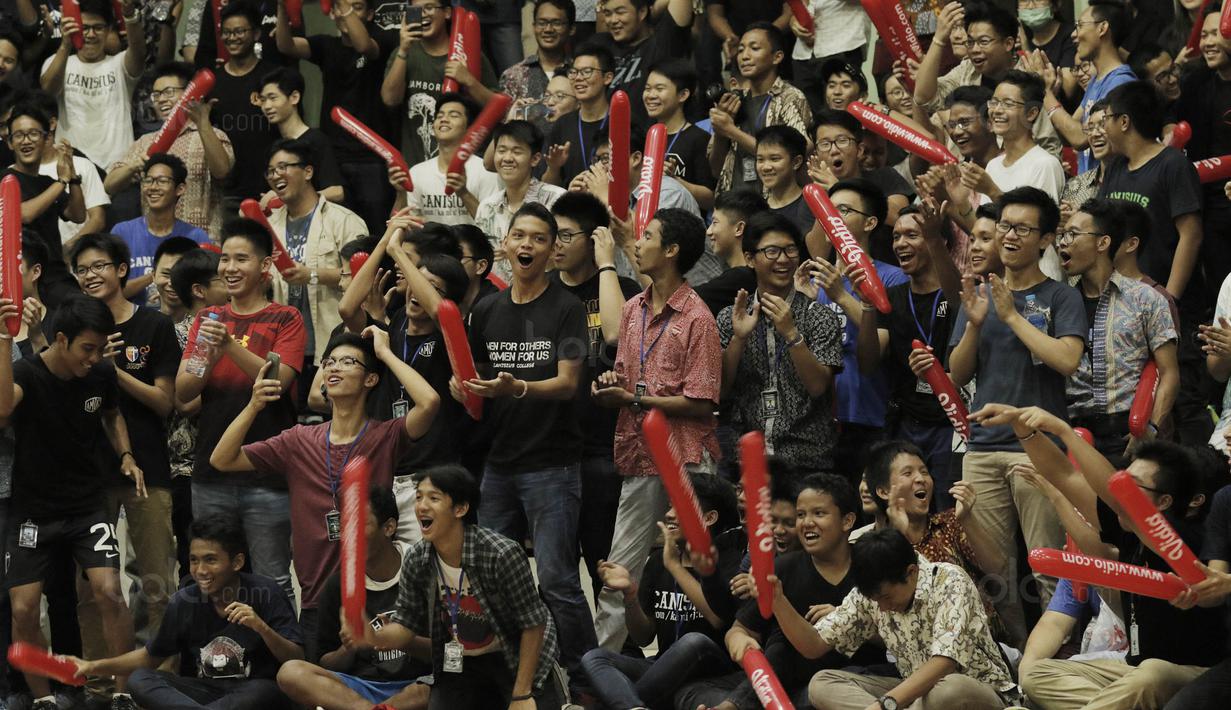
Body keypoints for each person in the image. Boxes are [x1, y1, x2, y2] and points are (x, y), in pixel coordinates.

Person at [973, 404, 1226, 709]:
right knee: (1036, 674)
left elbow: (1112, 495)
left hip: (1191, 674)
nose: (1121, 490)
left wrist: (1064, 430)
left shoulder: (1183, 538)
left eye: (1132, 485)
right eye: (1123, 477)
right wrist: (1022, 428)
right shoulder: (1129, 532)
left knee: (1150, 675)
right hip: (1133, 666)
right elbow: (1064, 474)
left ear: (1165, 501)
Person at [210, 328, 438, 660]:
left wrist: (386, 353)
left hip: (375, 596)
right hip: (317, 595)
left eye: (348, 362)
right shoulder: (297, 440)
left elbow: (429, 402)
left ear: (370, 380)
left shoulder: (385, 436)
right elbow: (222, 459)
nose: (333, 368)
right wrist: (254, 405)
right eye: (329, 362)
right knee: (317, 680)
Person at [456, 202, 597, 673]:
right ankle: (507, 669)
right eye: (520, 236)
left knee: (558, 579)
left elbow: (569, 383)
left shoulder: (568, 308)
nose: (527, 245)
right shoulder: (486, 309)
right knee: (492, 577)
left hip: (552, 464)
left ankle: (585, 672)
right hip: (498, 464)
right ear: (505, 245)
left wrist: (515, 386)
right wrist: (465, 388)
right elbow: (477, 379)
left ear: (553, 249)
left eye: (539, 238)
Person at [947, 186, 1084, 643]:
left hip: (1038, 451)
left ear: (1045, 240)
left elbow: (1066, 360)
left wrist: (1011, 317)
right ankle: (1016, 664)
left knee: (1046, 564)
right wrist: (976, 323)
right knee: (994, 573)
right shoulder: (978, 292)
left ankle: (1057, 667)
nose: (1008, 236)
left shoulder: (1061, 297)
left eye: (1022, 229)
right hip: (982, 449)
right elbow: (957, 371)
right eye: (1005, 225)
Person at [0, 295, 142, 710]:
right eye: (87, 348)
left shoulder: (100, 374)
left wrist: (127, 456)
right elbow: (3, 408)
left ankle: (121, 691)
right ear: (61, 340)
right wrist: (4, 339)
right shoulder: (27, 372)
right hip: (33, 513)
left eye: (100, 349)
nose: (95, 357)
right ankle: (43, 698)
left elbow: (113, 414)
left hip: (86, 507)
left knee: (110, 592)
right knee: (24, 608)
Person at [591, 208, 721, 650]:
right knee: (620, 563)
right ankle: (601, 670)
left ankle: (707, 655)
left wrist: (633, 399)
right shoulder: (632, 309)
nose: (638, 243)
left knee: (697, 562)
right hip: (639, 454)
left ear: (671, 251)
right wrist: (612, 385)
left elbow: (702, 401)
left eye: (647, 236)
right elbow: (628, 379)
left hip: (686, 458)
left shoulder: (699, 318)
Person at [345, 464, 566, 708]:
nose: (421, 506)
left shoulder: (501, 554)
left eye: (434, 498)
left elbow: (533, 623)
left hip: (515, 656)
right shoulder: (418, 559)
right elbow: (405, 626)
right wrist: (374, 635)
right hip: (463, 664)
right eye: (418, 497)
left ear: (460, 508)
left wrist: (522, 694)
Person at [175, 218, 307, 600]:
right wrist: (206, 355)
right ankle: (218, 658)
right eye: (225, 259)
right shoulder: (207, 320)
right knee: (211, 578)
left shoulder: (285, 317)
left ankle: (276, 657)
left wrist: (229, 347)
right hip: (210, 471)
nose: (230, 268)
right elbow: (184, 392)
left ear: (265, 266)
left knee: (272, 579)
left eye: (241, 259)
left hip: (266, 473)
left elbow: (276, 384)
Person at [68, 233, 180, 659]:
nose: (90, 275)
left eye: (99, 266)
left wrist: (113, 371)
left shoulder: (153, 324)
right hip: (87, 477)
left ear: (121, 270)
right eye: (82, 270)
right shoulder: (73, 329)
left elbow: (164, 401)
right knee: (94, 590)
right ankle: (98, 683)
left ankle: (162, 682)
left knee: (157, 585)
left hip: (148, 470)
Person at [760, 527, 1020, 709]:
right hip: (912, 696)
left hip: (978, 693)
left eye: (886, 598)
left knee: (949, 689)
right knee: (822, 683)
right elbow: (813, 645)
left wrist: (887, 705)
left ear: (911, 572)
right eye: (875, 600)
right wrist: (778, 602)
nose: (881, 608)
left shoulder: (950, 580)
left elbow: (944, 663)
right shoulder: (871, 593)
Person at [687, 474, 885, 710]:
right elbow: (740, 630)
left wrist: (847, 622)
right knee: (694, 690)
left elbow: (900, 635)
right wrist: (740, 642)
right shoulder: (783, 568)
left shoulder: (872, 564)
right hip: (789, 684)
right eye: (801, 515)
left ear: (847, 521)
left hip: (854, 682)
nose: (807, 522)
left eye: (818, 514)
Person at [67, 514, 304, 709]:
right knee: (140, 679)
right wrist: (93, 666)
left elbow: (296, 659)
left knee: (264, 690)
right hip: (202, 692)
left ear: (237, 562)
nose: (200, 570)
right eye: (194, 560)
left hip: (251, 691)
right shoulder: (184, 601)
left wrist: (261, 627)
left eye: (210, 560)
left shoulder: (267, 592)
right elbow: (150, 657)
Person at [581, 474, 742, 710]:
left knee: (693, 641)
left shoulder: (728, 559)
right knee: (594, 657)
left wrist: (676, 568)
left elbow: (717, 619)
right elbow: (643, 637)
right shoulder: (658, 562)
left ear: (709, 518)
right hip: (663, 668)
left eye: (680, 508)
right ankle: (633, 707)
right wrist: (630, 595)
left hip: (713, 666)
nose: (668, 515)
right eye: (669, 507)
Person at [548, 192, 641, 596]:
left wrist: (606, 261)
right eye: (553, 235)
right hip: (551, 446)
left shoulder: (620, 285)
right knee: (555, 566)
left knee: (603, 559)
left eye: (566, 236)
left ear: (594, 238)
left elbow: (616, 334)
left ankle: (618, 649)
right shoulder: (542, 289)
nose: (556, 245)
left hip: (604, 444)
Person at [276, 487, 431, 710]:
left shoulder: (423, 571)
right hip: (360, 690)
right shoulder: (339, 584)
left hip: (416, 685)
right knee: (291, 672)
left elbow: (447, 652)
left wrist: (400, 640)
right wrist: (350, 646)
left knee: (448, 682)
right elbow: (325, 663)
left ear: (388, 527)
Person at [718, 211, 842, 470]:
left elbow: (819, 386)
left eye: (790, 251)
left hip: (807, 455)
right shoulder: (731, 316)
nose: (784, 260)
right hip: (746, 457)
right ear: (750, 259)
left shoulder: (819, 316)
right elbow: (721, 389)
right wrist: (739, 339)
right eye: (772, 252)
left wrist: (792, 335)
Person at [1059, 198, 1179, 465]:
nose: (1063, 242)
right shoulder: (1057, 302)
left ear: (1103, 243)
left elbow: (1169, 373)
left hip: (1126, 435)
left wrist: (1152, 430)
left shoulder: (1146, 299)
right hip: (1072, 435)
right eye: (1063, 234)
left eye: (1074, 234)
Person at [860, 205, 963, 503]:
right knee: (902, 509)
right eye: (896, 236)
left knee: (946, 512)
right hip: (906, 424)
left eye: (912, 235)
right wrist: (868, 306)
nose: (900, 244)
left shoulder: (961, 293)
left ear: (936, 241)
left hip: (951, 425)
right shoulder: (891, 298)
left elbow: (958, 300)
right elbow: (868, 362)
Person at [808, 178, 909, 481]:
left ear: (870, 223)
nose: (832, 218)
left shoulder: (893, 278)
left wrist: (840, 295)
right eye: (828, 210)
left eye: (843, 210)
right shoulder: (815, 280)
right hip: (820, 420)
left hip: (869, 415)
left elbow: (879, 346)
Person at [273, 0, 400, 233]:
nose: (344, 14)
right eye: (340, 9)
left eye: (356, 7)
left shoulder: (383, 40)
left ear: (370, 14)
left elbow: (363, 46)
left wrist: (342, 3)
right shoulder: (326, 45)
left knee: (376, 230)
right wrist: (282, 9)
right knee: (338, 229)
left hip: (371, 157)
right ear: (331, 14)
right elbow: (286, 45)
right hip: (334, 156)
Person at [265, 138, 367, 375]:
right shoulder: (268, 227)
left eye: (283, 167)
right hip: (283, 346)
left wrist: (311, 275)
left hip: (332, 345)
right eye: (270, 171)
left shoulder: (344, 221)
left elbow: (363, 280)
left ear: (308, 171)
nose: (275, 175)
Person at [104, 61, 234, 236]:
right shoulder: (145, 142)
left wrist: (203, 122)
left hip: (201, 243)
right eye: (156, 95)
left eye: (169, 92)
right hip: (157, 246)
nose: (162, 99)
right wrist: (133, 166)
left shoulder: (214, 135)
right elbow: (110, 186)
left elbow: (222, 171)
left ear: (190, 93)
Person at [915, 1, 1061, 156]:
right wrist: (939, 39)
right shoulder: (967, 70)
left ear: (1008, 43)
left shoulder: (1030, 76)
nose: (975, 50)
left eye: (983, 42)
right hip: (967, 170)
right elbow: (923, 97)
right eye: (970, 42)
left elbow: (1049, 147)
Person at [379, 0, 497, 168]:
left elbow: (496, 109)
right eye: (417, 9)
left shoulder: (468, 53)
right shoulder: (404, 54)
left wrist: (469, 81)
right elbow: (390, 99)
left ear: (447, 13)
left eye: (429, 7)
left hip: (463, 167)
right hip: (417, 167)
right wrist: (403, 49)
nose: (423, 14)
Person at [39, 0, 146, 168]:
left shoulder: (119, 64)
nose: (90, 35)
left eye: (98, 28)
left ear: (109, 30)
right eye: (84, 28)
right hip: (72, 168)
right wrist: (66, 44)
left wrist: (130, 16)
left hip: (117, 169)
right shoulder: (56, 62)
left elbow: (139, 53)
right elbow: (48, 91)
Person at [709, 22, 812, 195]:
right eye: (741, 50)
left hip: (773, 205)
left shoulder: (790, 96)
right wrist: (720, 133)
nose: (744, 56)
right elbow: (715, 169)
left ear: (777, 57)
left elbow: (798, 150)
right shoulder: (734, 100)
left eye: (754, 48)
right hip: (733, 203)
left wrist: (731, 131)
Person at [4, 103, 85, 307]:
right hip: (21, 276)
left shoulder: (48, 184)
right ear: (9, 143)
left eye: (33, 134)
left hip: (55, 274)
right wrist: (62, 182)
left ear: (47, 139)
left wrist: (72, 175)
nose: (26, 141)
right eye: (19, 135)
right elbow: (23, 215)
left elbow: (77, 215)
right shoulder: (5, 179)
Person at [1042, 0, 1135, 175]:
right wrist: (1053, 93)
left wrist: (1045, 94)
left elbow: (1080, 137)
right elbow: (1068, 132)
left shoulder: (1120, 82)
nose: (1073, 35)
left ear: (1102, 28)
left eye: (1080, 26)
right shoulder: (1096, 80)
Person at [112, 154, 210, 306]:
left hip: (181, 322)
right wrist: (157, 276)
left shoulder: (196, 237)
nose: (153, 187)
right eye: (148, 180)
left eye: (162, 181)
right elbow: (112, 292)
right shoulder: (122, 232)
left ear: (180, 189)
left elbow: (207, 291)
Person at [474, 120, 565, 281]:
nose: (507, 158)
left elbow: (567, 256)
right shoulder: (486, 207)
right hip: (497, 299)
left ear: (535, 158)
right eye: (501, 150)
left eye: (516, 151)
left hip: (546, 296)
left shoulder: (557, 200)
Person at [395, 93, 501, 226]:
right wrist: (401, 193)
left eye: (454, 115)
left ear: (469, 127)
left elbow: (494, 225)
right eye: (439, 116)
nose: (444, 119)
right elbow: (400, 226)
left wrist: (464, 193)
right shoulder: (417, 172)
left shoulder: (484, 171)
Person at [210, 1, 279, 205]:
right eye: (227, 32)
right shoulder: (212, 82)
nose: (232, 38)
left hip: (269, 190)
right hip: (226, 192)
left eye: (239, 31)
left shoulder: (272, 77)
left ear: (256, 34)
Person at [591, 0, 692, 125]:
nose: (613, 20)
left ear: (642, 11)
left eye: (620, 12)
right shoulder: (600, 44)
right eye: (607, 13)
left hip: (648, 137)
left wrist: (654, 10)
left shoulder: (663, 43)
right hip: (602, 137)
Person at [257, 68, 345, 206]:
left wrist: (285, 198)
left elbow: (337, 192)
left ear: (294, 97)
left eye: (273, 98)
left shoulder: (316, 140)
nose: (267, 106)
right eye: (263, 100)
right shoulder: (272, 144)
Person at [642, 58, 716, 210]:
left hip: (682, 228)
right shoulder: (643, 136)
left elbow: (711, 198)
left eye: (659, 89)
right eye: (647, 88)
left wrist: (674, 180)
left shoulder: (699, 138)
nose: (650, 95)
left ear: (683, 95)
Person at [543, 41, 614, 188]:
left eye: (587, 71)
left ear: (607, 78)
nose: (578, 78)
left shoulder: (622, 122)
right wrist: (554, 168)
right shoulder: (562, 125)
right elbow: (547, 188)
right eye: (574, 72)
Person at [786, 0, 869, 116]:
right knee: (805, 117)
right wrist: (794, 20)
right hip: (803, 53)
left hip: (843, 43)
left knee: (841, 117)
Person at [695, 188, 766, 316]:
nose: (709, 231)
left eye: (715, 223)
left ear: (739, 228)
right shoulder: (756, 272)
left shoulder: (740, 278)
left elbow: (677, 303)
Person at [500, 0, 575, 112]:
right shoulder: (513, 76)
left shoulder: (580, 74)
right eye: (542, 23)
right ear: (534, 27)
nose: (548, 29)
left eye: (556, 23)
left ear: (571, 29)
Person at [755, 125, 814, 240]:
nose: (765, 167)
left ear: (796, 162)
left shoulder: (812, 205)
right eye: (760, 159)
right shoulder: (756, 208)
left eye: (775, 159)